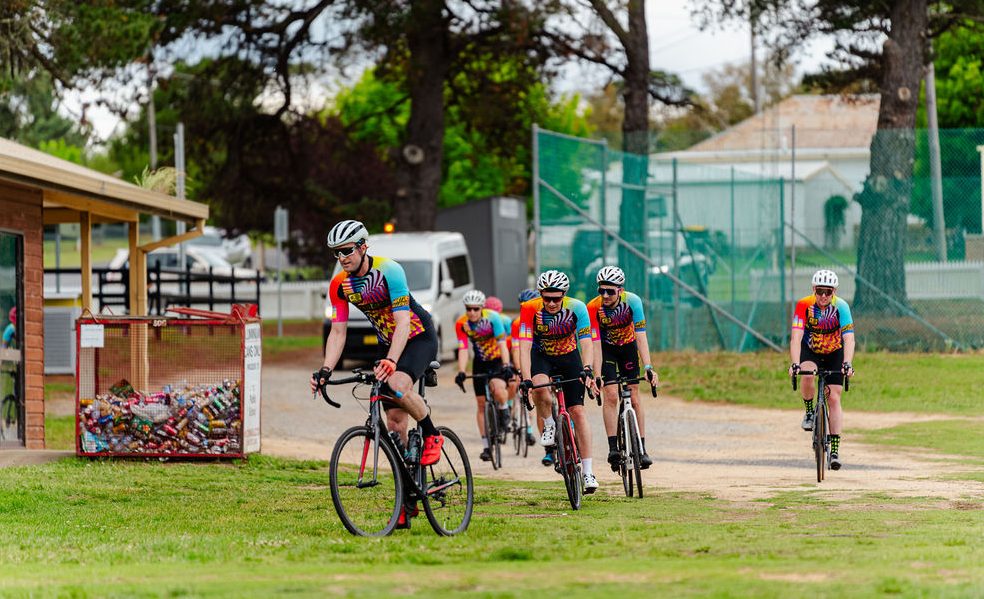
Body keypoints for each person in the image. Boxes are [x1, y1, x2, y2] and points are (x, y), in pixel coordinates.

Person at [313, 219, 445, 469]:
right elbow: (338, 332)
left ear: (363, 247)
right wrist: (326, 369)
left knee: (396, 383)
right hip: (387, 341)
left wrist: (392, 360)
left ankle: (431, 433)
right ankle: (409, 489)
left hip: (417, 336)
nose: (341, 257)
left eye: (347, 250)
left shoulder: (389, 271)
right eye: (336, 252)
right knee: (395, 423)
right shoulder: (339, 285)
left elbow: (403, 322)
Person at [518, 270, 600, 493]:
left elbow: (587, 342)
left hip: (569, 357)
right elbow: (524, 347)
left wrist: (587, 369)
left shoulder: (577, 307)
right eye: (547, 298)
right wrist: (525, 378)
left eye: (556, 298)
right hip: (542, 356)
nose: (552, 303)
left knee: (578, 412)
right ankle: (550, 424)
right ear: (540, 295)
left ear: (564, 294)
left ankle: (588, 471)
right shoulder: (529, 309)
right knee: (539, 388)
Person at [587, 266, 658, 472]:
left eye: (610, 291)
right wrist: (597, 374)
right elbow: (595, 342)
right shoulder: (593, 307)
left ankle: (642, 449)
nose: (605, 295)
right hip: (606, 351)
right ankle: (613, 449)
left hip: (628, 349)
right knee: (610, 394)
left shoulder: (633, 302)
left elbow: (641, 335)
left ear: (620, 290)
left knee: (634, 395)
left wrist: (648, 366)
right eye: (602, 291)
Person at [788, 269, 855, 471]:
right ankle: (809, 413)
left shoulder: (841, 307)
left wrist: (848, 363)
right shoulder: (803, 305)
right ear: (813, 290)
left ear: (834, 291)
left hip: (835, 351)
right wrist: (795, 363)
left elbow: (849, 338)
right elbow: (796, 337)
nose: (823, 296)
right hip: (811, 350)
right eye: (819, 291)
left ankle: (834, 450)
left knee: (834, 397)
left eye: (828, 292)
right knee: (807, 375)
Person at [453, 290, 514, 462]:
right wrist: (462, 371)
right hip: (479, 362)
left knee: (499, 389)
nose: (472, 312)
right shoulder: (461, 323)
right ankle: (486, 446)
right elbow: (463, 348)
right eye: (468, 309)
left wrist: (506, 365)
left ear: (481, 308)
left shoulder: (493, 318)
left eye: (475, 309)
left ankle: (504, 411)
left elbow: (502, 344)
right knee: (480, 404)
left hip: (496, 360)